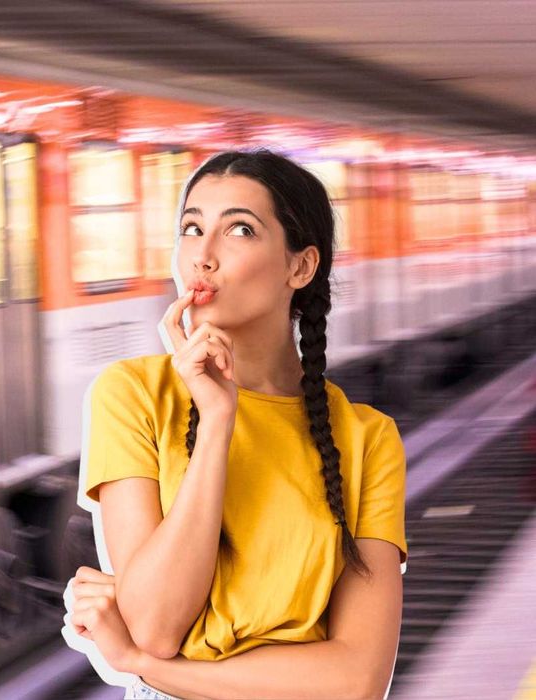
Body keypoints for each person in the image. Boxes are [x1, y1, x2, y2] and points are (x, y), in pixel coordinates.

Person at [65, 149, 407, 700]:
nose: (202, 256)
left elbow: (355, 682)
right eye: (191, 228)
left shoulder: (367, 439)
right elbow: (157, 625)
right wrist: (219, 418)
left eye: (239, 230)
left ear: (301, 266)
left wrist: (139, 664)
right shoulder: (132, 395)